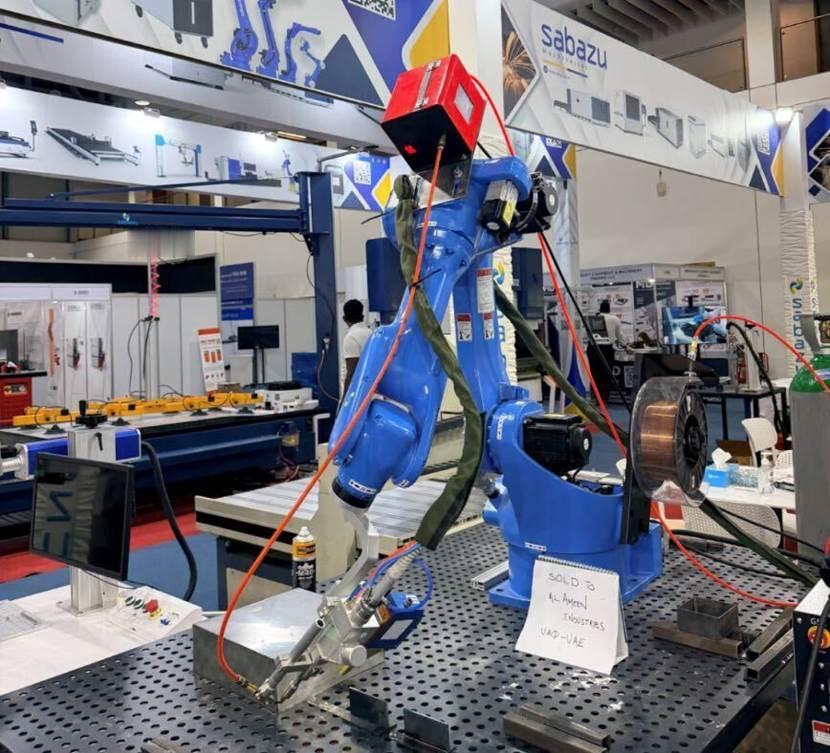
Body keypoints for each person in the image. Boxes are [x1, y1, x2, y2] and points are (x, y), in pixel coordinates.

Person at [342, 299, 371, 394]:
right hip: (371, 388)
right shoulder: (371, 333)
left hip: (357, 391)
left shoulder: (351, 337)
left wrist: (345, 398)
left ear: (344, 318)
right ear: (362, 316)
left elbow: (351, 372)